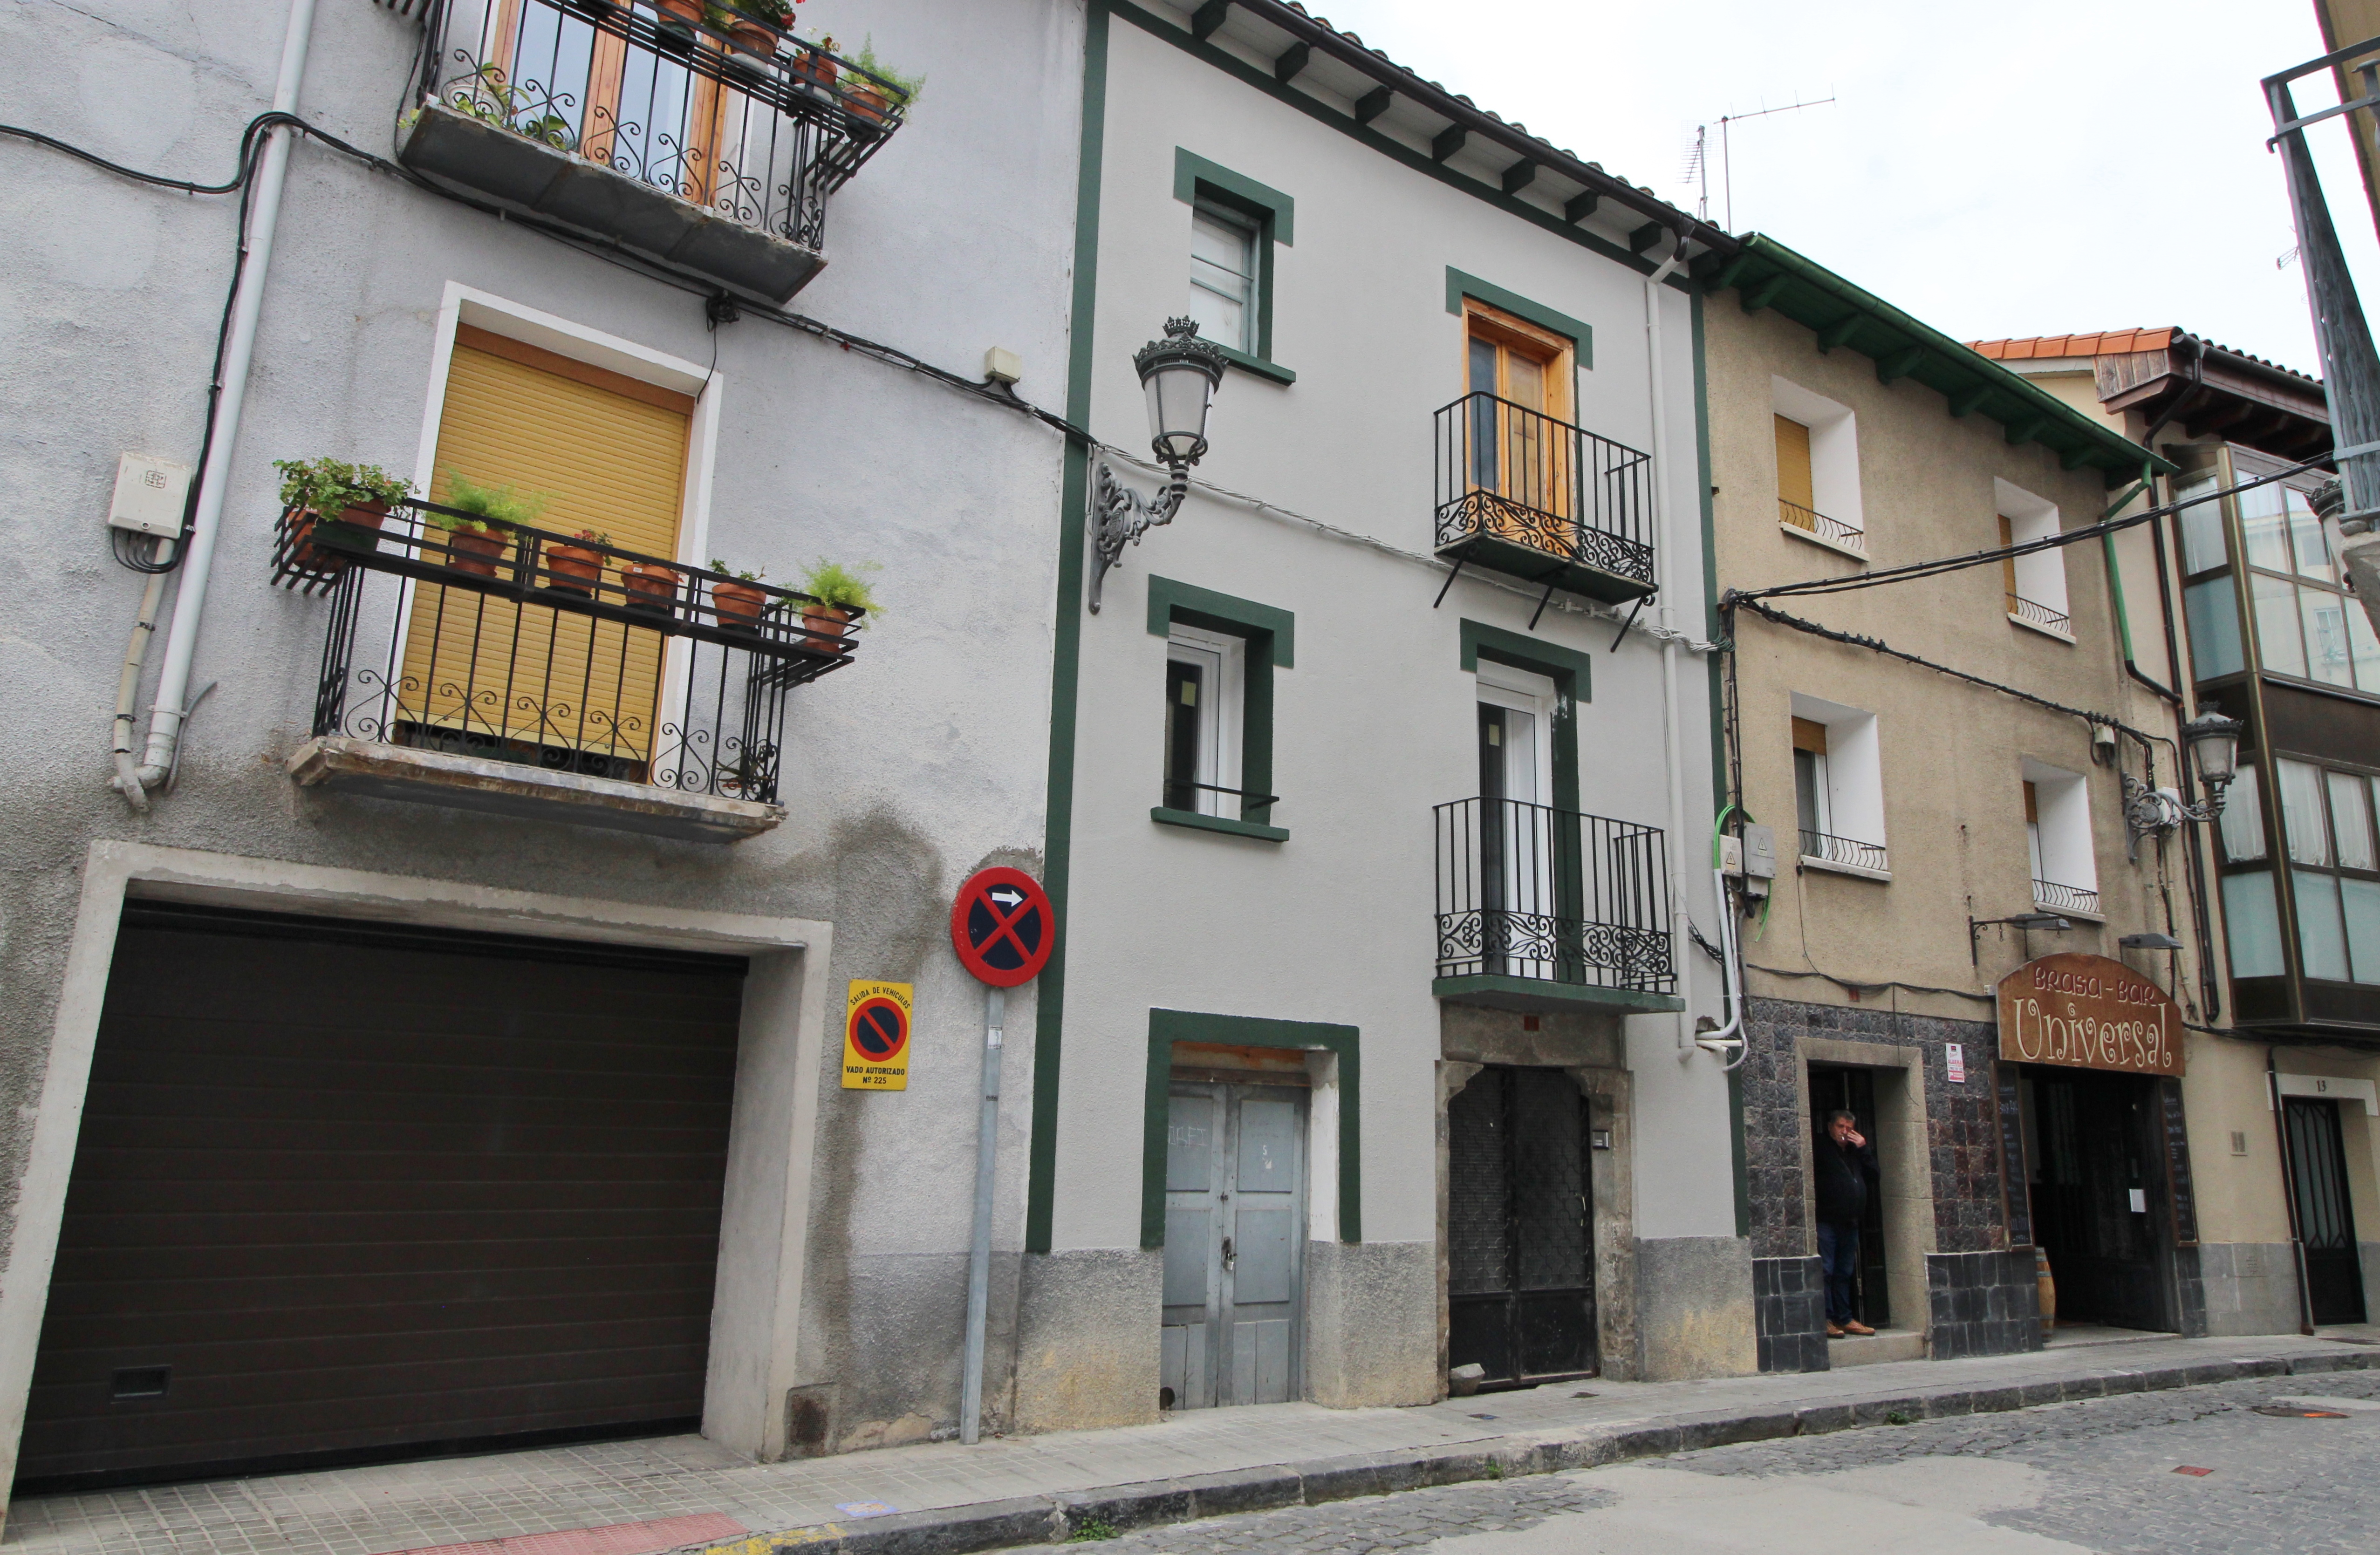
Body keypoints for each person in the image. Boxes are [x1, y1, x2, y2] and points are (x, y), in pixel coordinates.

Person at [1813, 1108, 1879, 1338]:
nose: (1845, 1132)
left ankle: (1845, 1318)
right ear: (1831, 1127)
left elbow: (1874, 1175)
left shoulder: (1855, 1152)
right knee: (1827, 1270)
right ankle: (1827, 1319)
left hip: (1850, 1222)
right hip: (1827, 1220)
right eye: (1841, 1127)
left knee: (1844, 1271)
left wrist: (1864, 1148)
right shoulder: (1821, 1147)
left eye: (1849, 1129)